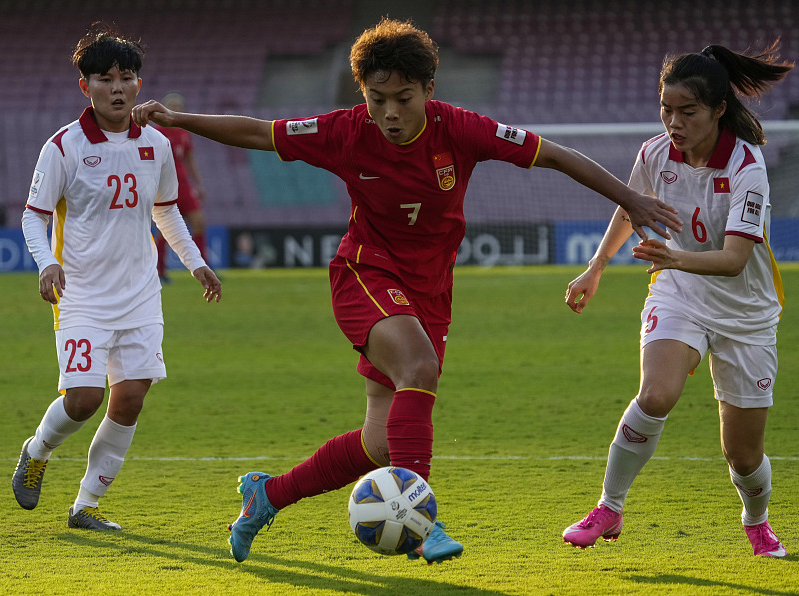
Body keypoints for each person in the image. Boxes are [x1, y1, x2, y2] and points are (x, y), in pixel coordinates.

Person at [133, 17, 681, 564]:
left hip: (430, 290)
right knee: (419, 368)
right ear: (362, 94)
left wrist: (629, 200)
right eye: (377, 99)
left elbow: (556, 155)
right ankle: (423, 525)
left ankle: (267, 495)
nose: (390, 113)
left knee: (379, 443)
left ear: (429, 91)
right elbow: (259, 132)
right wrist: (177, 118)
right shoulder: (346, 131)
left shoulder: (460, 129)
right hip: (365, 272)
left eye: (403, 98)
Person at [562, 41, 792, 557]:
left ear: (717, 110)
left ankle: (757, 520)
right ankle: (609, 508)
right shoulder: (654, 153)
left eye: (687, 111)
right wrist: (596, 268)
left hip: (746, 314)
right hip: (680, 292)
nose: (674, 122)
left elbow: (734, 260)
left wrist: (674, 257)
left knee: (742, 453)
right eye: (666, 109)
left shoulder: (747, 167)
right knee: (656, 395)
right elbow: (630, 209)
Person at [12, 23, 222, 531]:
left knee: (130, 399)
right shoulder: (62, 147)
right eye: (105, 78)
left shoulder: (157, 144)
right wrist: (47, 263)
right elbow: (32, 216)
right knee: (85, 399)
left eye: (126, 77)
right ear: (85, 86)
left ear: (138, 84)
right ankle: (36, 451)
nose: (117, 87)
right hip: (81, 293)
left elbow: (167, 212)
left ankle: (85, 507)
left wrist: (195, 263)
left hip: (140, 295)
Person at [153, 92, 209, 282]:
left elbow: (189, 160)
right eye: (172, 106)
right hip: (166, 185)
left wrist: (198, 184)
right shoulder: (157, 133)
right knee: (164, 230)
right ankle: (160, 272)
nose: (176, 110)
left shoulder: (184, 133)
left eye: (179, 107)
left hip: (184, 185)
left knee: (199, 223)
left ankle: (204, 268)